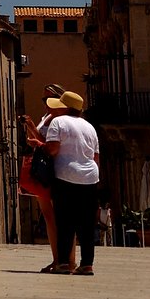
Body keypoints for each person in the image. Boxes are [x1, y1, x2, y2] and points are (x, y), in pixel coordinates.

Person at [40, 89, 102, 275]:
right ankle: (87, 264)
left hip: (66, 176)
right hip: (90, 177)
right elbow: (96, 157)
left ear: (65, 108)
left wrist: (40, 147)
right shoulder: (89, 127)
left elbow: (53, 149)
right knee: (87, 224)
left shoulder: (58, 122)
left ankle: (64, 264)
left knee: (65, 221)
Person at [16, 82, 64, 263]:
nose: (46, 102)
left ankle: (63, 258)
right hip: (42, 168)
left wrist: (32, 127)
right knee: (48, 216)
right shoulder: (47, 117)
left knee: (55, 217)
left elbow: (48, 144)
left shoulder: (57, 119)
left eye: (49, 98)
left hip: (51, 169)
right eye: (44, 99)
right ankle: (57, 258)